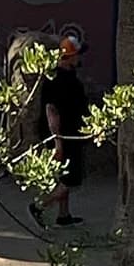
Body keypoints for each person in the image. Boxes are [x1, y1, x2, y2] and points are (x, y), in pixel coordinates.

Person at [35, 34, 95, 224]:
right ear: (69, 57)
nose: (80, 58)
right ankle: (38, 207)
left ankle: (63, 214)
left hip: (70, 135)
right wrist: (57, 142)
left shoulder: (67, 77)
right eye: (77, 55)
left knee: (64, 175)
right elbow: (51, 111)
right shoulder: (57, 81)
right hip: (64, 137)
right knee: (69, 180)